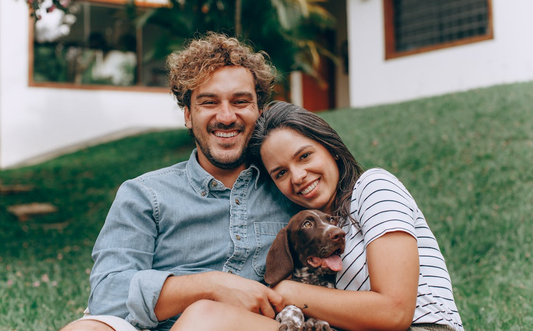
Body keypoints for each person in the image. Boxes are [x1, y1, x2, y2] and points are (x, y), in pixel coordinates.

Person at [61, 33, 300, 331]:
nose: (226, 116)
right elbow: (108, 295)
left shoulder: (288, 188)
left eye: (240, 101)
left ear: (260, 112)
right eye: (209, 102)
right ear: (188, 115)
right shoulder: (144, 195)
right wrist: (210, 285)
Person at [172, 101, 464, 331]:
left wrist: (286, 291)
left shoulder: (373, 187)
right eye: (281, 173)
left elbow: (395, 312)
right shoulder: (312, 229)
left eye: (304, 156)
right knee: (207, 315)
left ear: (331, 149)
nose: (298, 177)